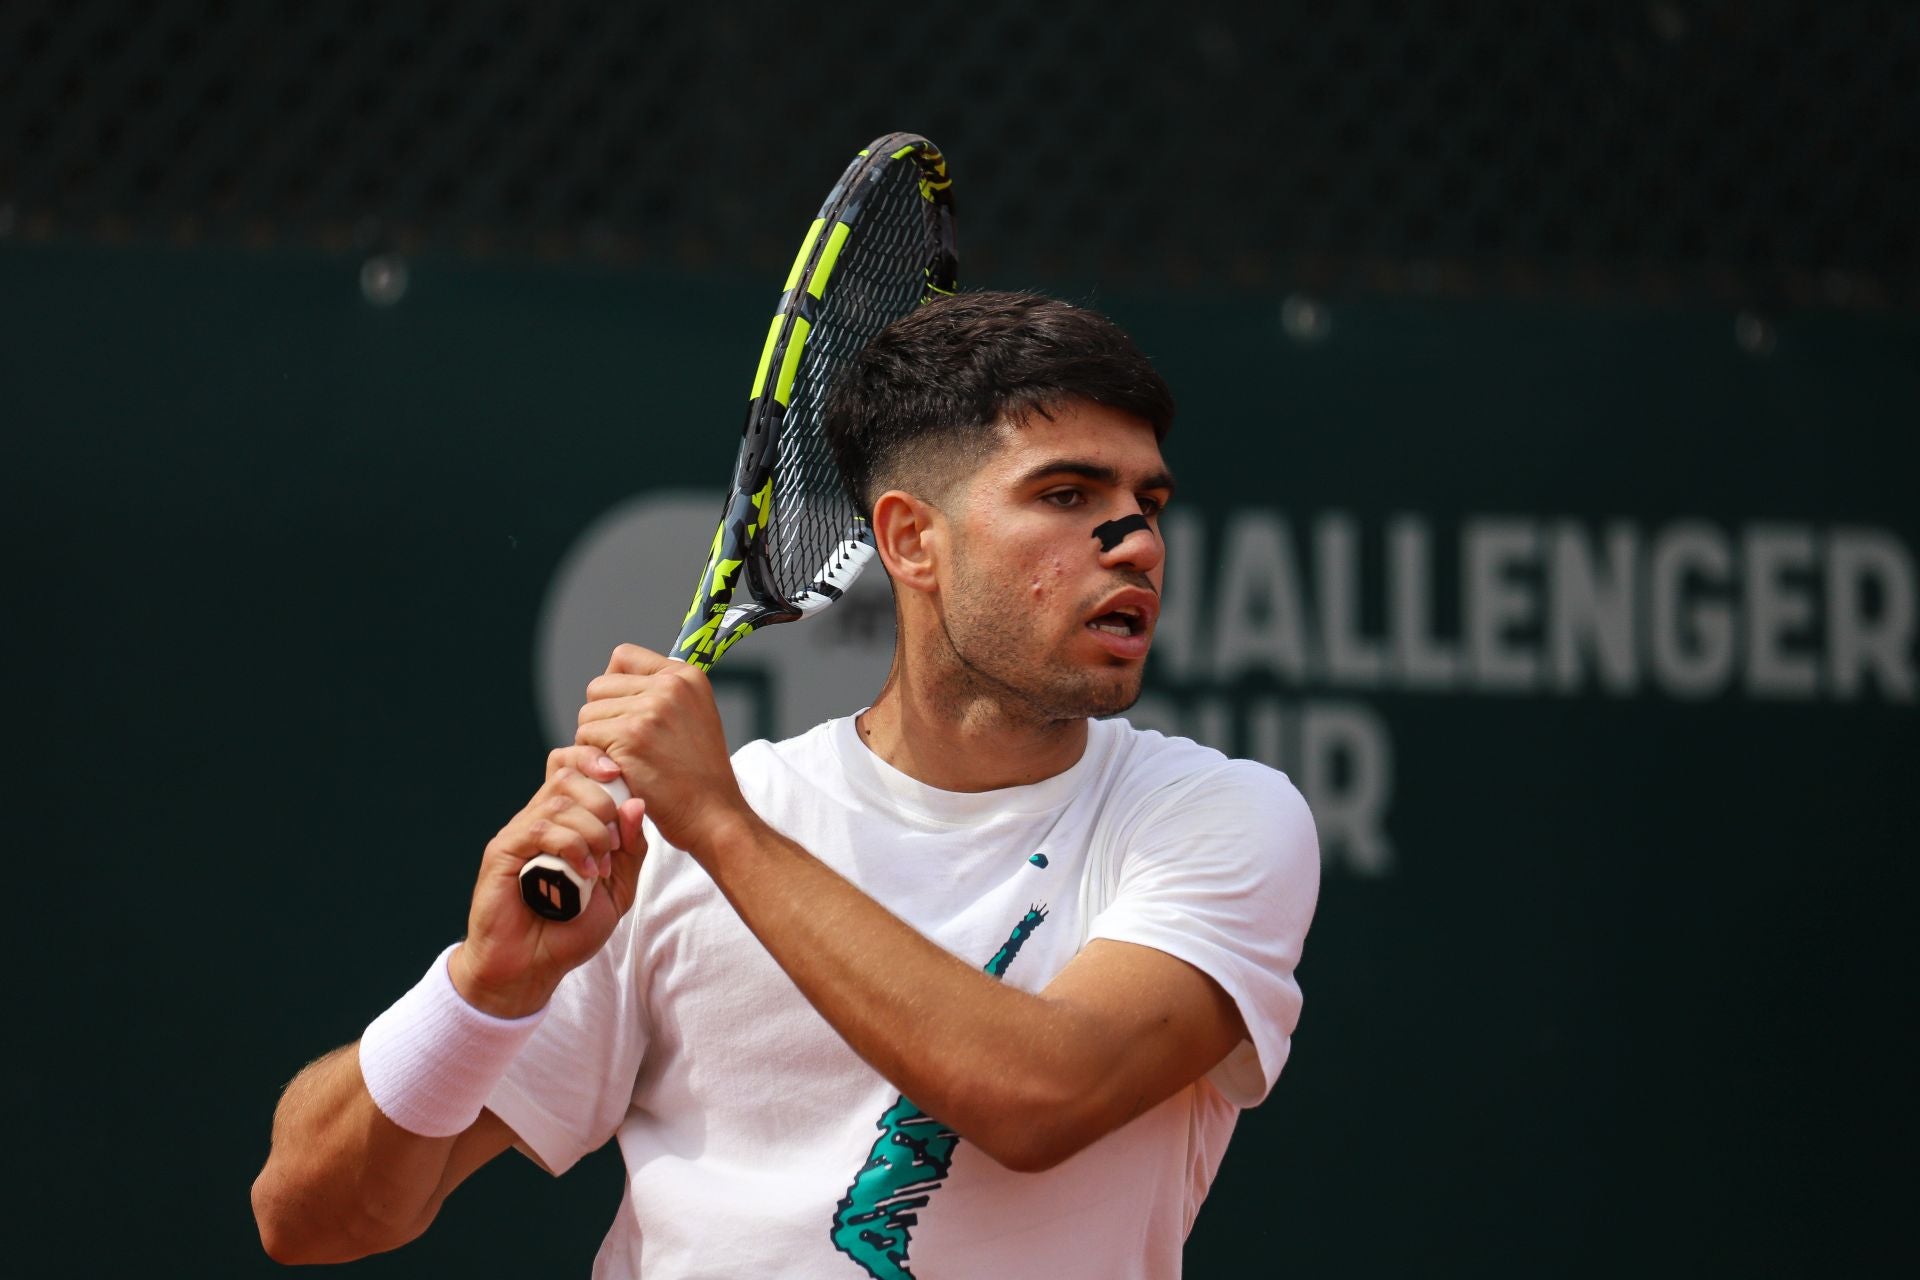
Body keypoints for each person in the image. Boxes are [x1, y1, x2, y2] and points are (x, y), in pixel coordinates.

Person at [251, 291, 1319, 1278]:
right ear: (910, 539)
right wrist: (482, 985)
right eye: (1067, 494)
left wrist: (718, 825)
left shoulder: (1217, 817)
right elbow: (311, 1216)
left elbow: (1040, 1095)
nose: (1134, 542)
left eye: (1149, 499)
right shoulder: (675, 843)